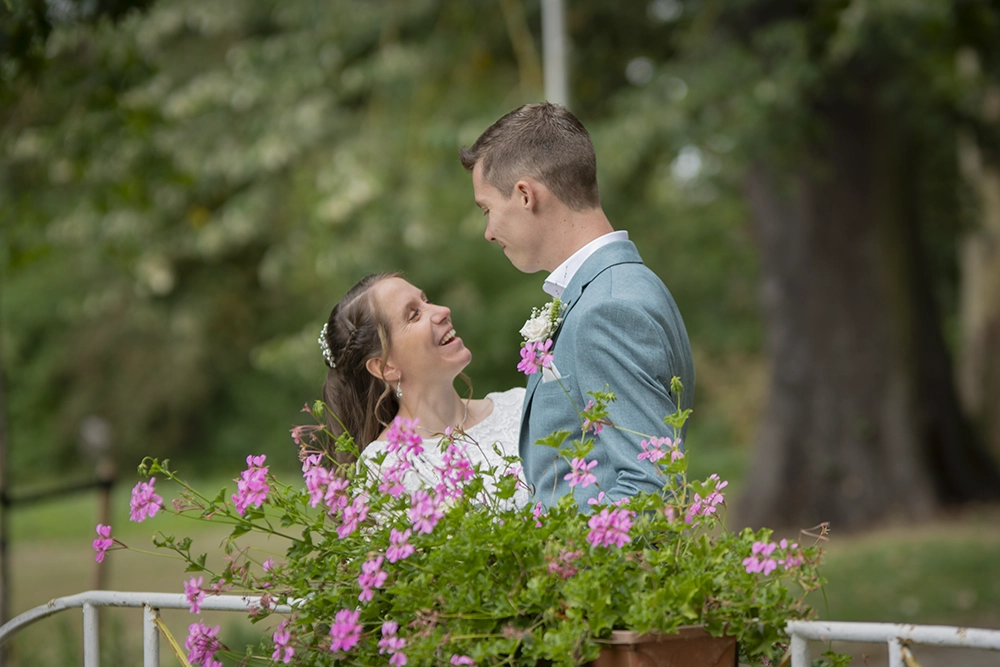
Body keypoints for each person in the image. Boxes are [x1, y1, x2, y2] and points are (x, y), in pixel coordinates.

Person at [459, 102, 695, 509]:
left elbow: (652, 488)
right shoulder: (621, 285)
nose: (488, 232)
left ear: (525, 195)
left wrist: (559, 562)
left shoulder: (606, 309)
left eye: (487, 210)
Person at [318, 272, 530, 508]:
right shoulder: (385, 472)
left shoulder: (521, 405)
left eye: (426, 301)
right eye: (414, 315)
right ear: (386, 366)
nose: (443, 310)